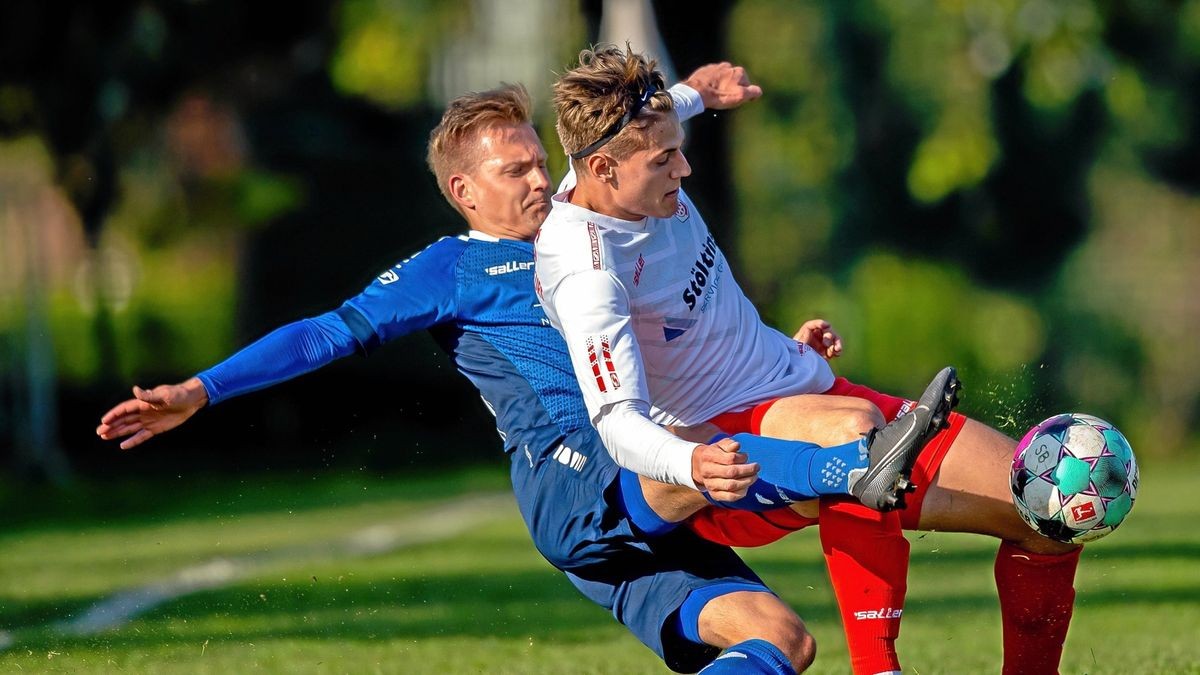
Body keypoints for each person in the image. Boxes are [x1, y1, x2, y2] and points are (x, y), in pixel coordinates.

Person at [97, 65, 847, 675]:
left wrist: (692, 95)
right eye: (514, 169)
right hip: (578, 479)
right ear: (465, 191)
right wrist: (202, 388)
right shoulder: (453, 269)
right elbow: (325, 334)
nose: (536, 180)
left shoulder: (579, 228)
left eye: (540, 163)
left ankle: (849, 475)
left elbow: (629, 162)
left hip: (640, 490)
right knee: (694, 446)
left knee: (782, 640)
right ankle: (856, 467)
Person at [535, 45, 1082, 675]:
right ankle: (878, 668)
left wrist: (702, 91)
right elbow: (617, 422)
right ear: (602, 168)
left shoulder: (632, 146)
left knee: (1044, 509)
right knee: (857, 437)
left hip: (804, 390)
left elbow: (674, 104)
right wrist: (693, 461)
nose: (684, 168)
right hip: (731, 451)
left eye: (680, 147)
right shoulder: (588, 275)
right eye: (665, 160)